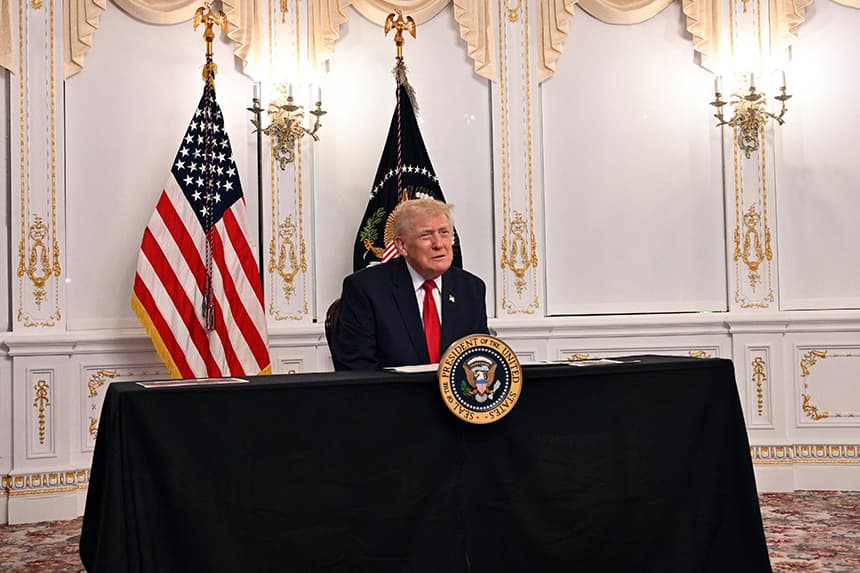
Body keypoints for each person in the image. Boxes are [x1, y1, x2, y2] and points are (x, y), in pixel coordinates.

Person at [333, 198, 489, 370]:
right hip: (392, 388)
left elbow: (480, 359)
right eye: (426, 235)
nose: (439, 244)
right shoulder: (365, 289)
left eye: (444, 232)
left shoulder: (471, 289)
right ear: (402, 246)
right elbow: (357, 370)